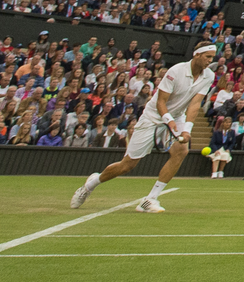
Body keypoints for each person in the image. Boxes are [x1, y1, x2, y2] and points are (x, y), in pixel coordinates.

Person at [69, 41, 218, 214]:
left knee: (181, 151)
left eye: (211, 57)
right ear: (197, 55)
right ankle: (90, 185)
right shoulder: (176, 71)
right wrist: (168, 120)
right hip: (153, 117)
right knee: (127, 165)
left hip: (177, 117)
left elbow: (195, 104)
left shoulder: (208, 76)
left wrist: (187, 129)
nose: (210, 61)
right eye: (207, 57)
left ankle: (150, 199)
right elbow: (161, 101)